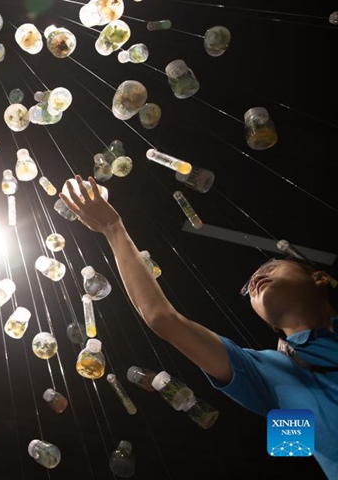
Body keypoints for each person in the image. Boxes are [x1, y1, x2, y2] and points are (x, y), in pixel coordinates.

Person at [60, 175, 338, 479]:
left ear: (320, 279)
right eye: (250, 285)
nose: (257, 279)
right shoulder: (266, 371)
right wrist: (113, 228)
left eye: (270, 267)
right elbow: (163, 320)